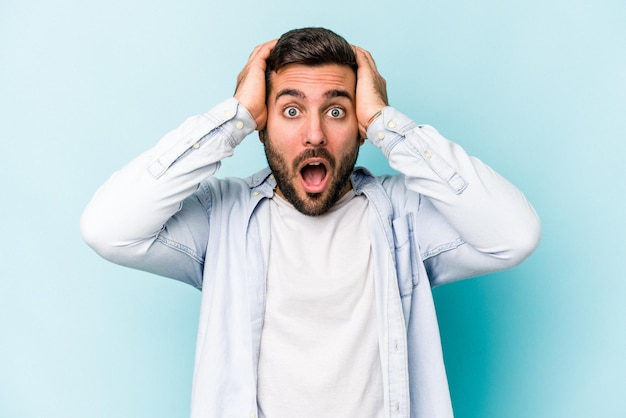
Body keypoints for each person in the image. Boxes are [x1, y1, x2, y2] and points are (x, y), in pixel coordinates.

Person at [81, 27, 541, 418]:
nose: (315, 133)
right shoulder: (221, 216)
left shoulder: (406, 215)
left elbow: (514, 236)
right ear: (264, 123)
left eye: (337, 110)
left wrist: (387, 123)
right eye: (292, 110)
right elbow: (108, 227)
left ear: (360, 125)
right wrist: (232, 119)